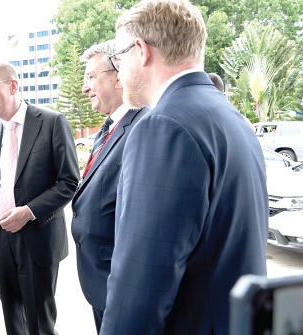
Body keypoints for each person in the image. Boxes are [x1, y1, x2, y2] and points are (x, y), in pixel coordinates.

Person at [101, 0, 268, 334]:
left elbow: (142, 281)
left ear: (141, 50)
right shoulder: (231, 118)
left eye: (118, 58)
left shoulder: (162, 125)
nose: (118, 71)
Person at [0, 62, 80, 335]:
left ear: (13, 85)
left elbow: (69, 181)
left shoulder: (52, 122)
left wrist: (29, 211)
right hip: (0, 243)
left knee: (39, 324)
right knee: (13, 322)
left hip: (38, 237)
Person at [70, 40, 148, 333]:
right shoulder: (107, 129)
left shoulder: (143, 126)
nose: (84, 87)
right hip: (100, 279)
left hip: (121, 281)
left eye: (91, 77)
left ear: (118, 75)